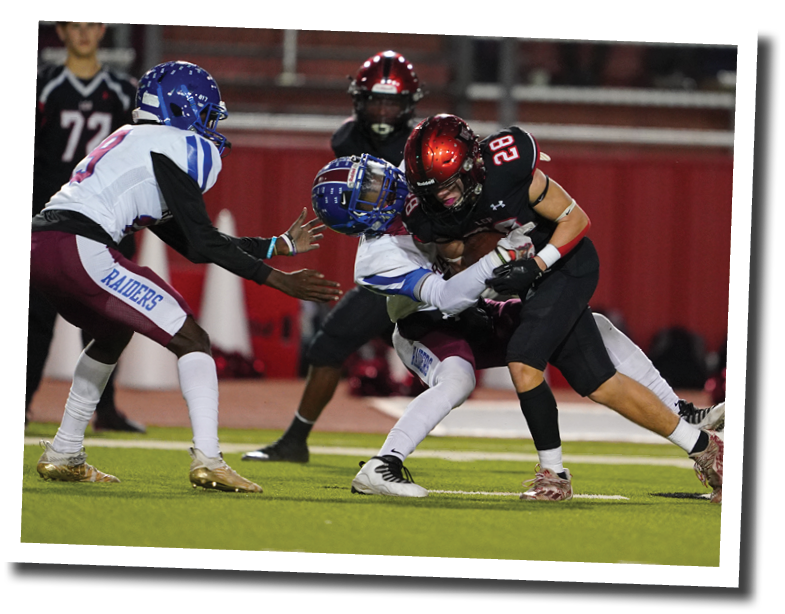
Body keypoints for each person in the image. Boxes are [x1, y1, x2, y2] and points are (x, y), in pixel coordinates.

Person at [309, 152, 723, 503]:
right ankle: (385, 464)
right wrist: (498, 258)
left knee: (586, 327)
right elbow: (448, 297)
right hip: (427, 324)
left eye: (376, 175)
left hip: (481, 305)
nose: (385, 184)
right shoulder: (377, 259)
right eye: (368, 191)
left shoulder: (419, 178)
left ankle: (680, 411)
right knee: (457, 380)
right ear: (358, 217)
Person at [30, 60, 342, 492]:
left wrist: (277, 246)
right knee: (191, 338)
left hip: (41, 243)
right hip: (78, 246)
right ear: (183, 110)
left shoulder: (133, 141)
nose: (212, 126)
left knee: (113, 331)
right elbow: (201, 243)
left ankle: (65, 451)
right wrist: (276, 278)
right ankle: (209, 460)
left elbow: (191, 241)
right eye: (209, 115)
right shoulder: (173, 144)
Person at [242, 50, 424, 463]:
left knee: (461, 365)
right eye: (374, 100)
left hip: (431, 263)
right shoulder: (348, 140)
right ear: (359, 100)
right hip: (394, 268)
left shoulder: (420, 143)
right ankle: (297, 441)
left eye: (390, 102)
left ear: (408, 106)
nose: (381, 110)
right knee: (329, 348)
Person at [29, 21, 145, 432]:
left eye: (91, 24)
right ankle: (20, 402)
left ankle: (105, 409)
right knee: (34, 318)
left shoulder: (121, 91)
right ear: (60, 32)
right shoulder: (40, 86)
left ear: (103, 31)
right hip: (47, 216)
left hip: (105, 220)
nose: (82, 33)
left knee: (106, 318)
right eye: (74, 25)